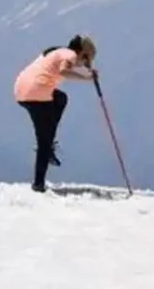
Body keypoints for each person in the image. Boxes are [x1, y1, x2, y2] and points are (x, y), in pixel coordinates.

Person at [13, 34, 98, 192]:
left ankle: (49, 139)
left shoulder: (57, 51)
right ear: (82, 53)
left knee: (60, 98)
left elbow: (62, 65)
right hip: (38, 93)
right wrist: (87, 78)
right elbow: (64, 70)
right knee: (44, 141)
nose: (84, 63)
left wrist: (86, 69)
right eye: (86, 59)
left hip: (21, 90)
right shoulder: (71, 55)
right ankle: (39, 183)